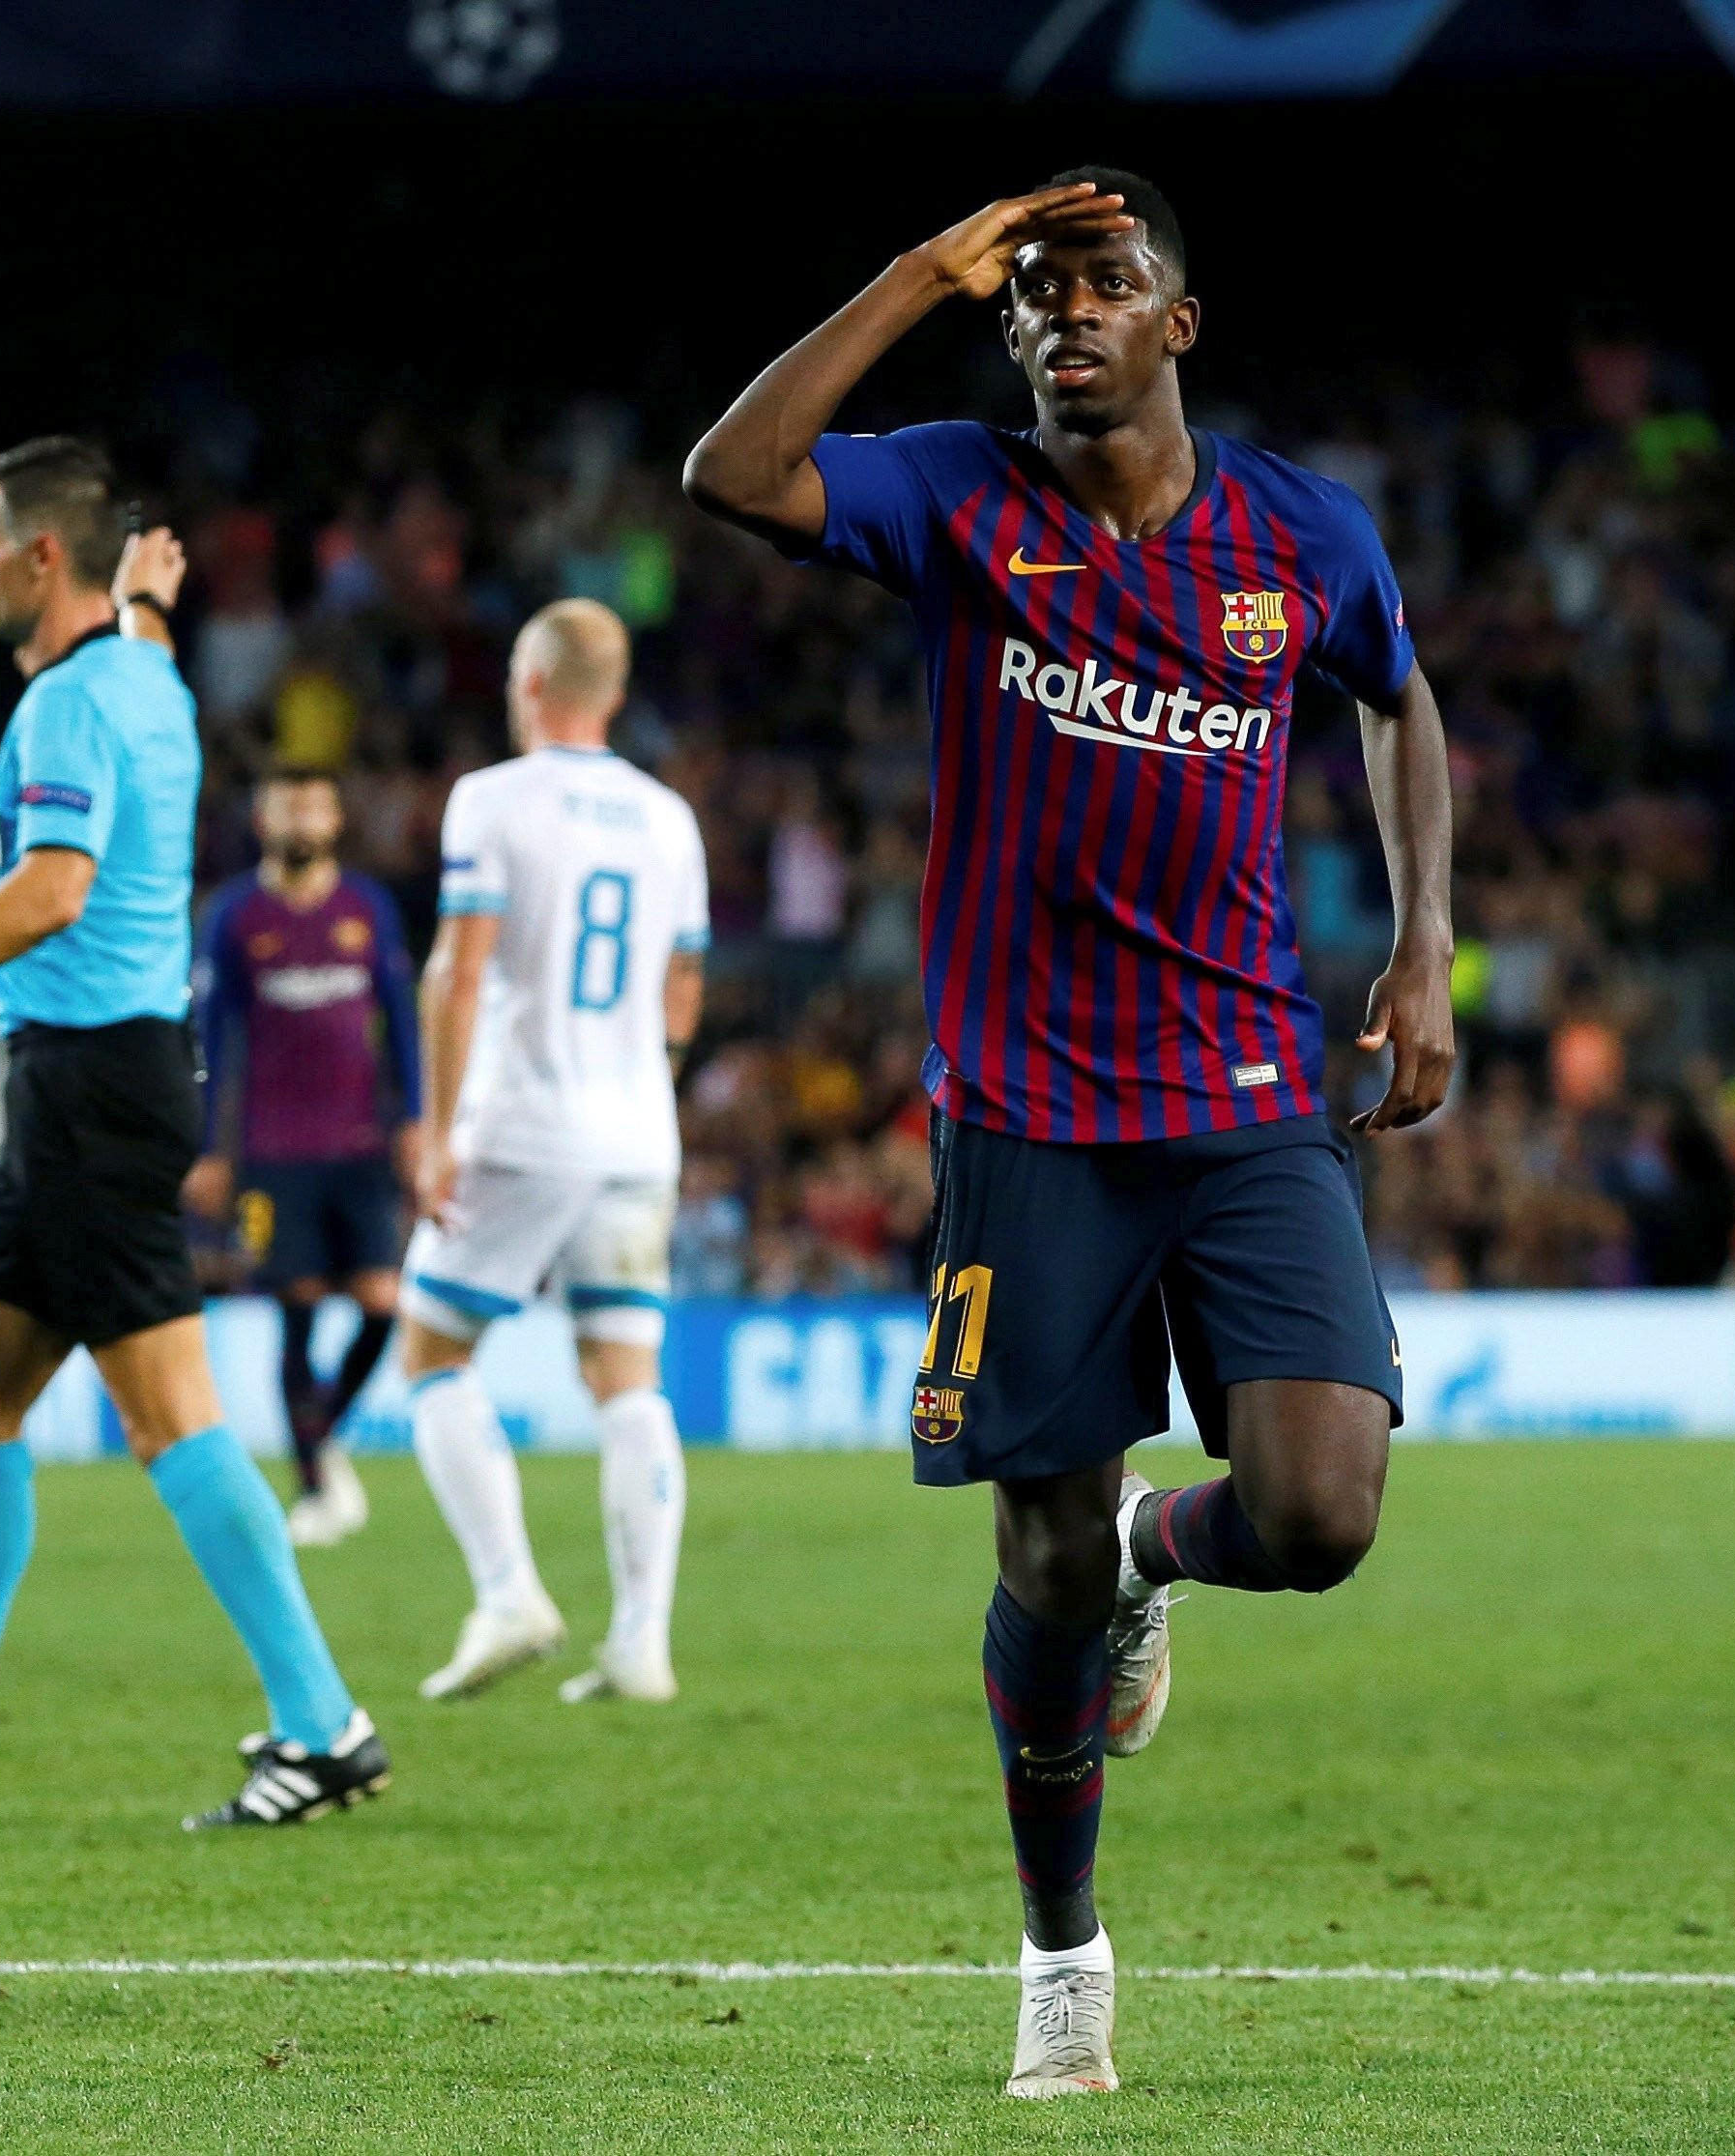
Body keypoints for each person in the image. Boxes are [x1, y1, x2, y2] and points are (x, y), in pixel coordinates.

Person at [686, 169, 1455, 2098]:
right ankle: (1059, 1954)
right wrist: (910, 273)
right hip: (1024, 1121)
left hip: (1243, 1094)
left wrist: (1426, 942)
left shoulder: (1298, 535)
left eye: (1103, 283)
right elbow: (730, 467)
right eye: (1029, 295)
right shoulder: (954, 491)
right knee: (1026, 1567)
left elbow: (1398, 698)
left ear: (1175, 322)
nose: (1061, 314)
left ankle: (1148, 1545)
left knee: (1317, 1512)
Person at [0, 437, 389, 1829]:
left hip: (94, 1090)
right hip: (90, 1078)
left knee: (170, 1409)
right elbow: (137, 666)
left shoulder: (65, 707)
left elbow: (49, 888)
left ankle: (322, 1721)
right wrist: (148, 600)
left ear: (46, 555)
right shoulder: (141, 678)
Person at [395, 599, 709, 1709]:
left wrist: (436, 1130)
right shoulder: (670, 818)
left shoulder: (492, 800)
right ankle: (641, 1642)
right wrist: (641, 1079)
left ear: (527, 681)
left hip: (525, 1125)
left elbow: (458, 972)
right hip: (636, 1131)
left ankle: (508, 1590)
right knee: (626, 1379)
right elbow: (682, 990)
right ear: (613, 693)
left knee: (429, 1352)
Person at [186, 766, 422, 1547]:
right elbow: (212, 1041)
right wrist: (209, 1151)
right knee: (298, 1309)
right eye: (288, 806)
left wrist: (416, 1120)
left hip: (360, 1142)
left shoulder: (366, 908)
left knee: (383, 1304)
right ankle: (315, 1485)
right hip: (271, 1150)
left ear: (335, 818)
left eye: (315, 805)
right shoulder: (235, 915)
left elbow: (403, 1023)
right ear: (262, 818)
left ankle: (321, 1431)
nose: (302, 819)